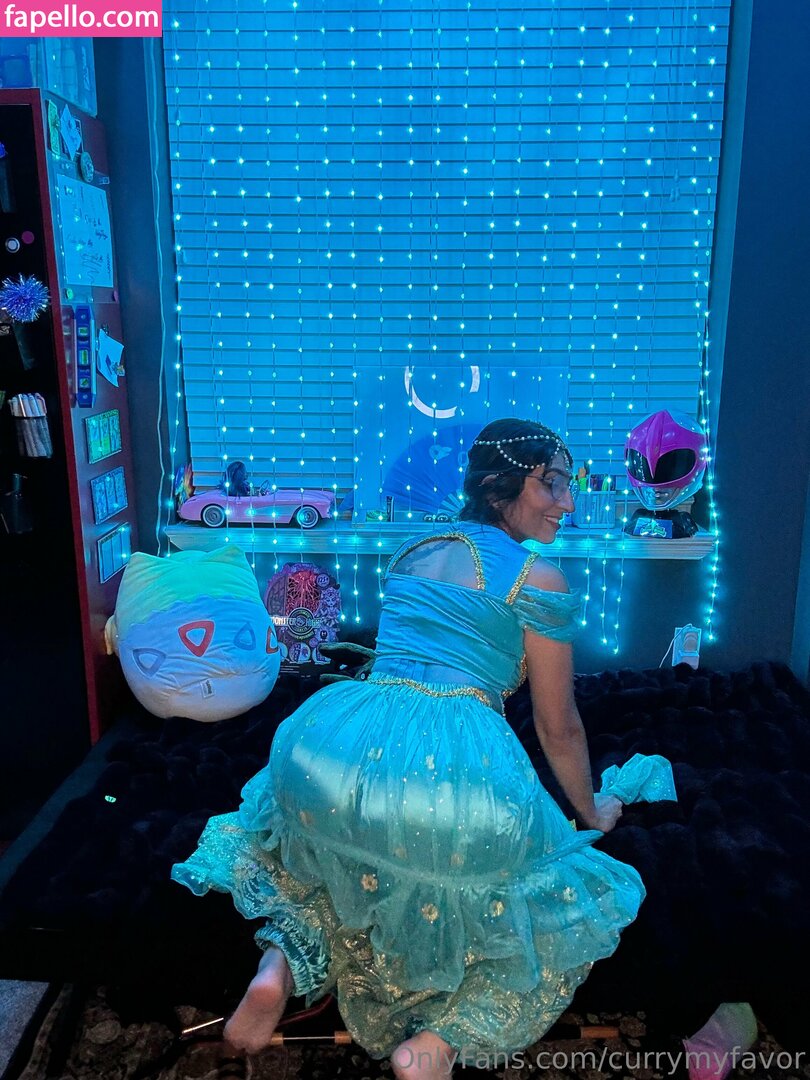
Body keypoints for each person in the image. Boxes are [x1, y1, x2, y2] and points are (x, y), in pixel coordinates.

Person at [172, 417, 674, 1079]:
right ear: (500, 487)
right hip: (447, 779)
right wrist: (590, 812)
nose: (568, 500)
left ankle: (278, 967)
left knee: (327, 866)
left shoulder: (415, 549)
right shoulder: (538, 578)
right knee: (543, 914)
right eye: (552, 482)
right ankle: (434, 1045)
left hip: (334, 750)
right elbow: (559, 727)